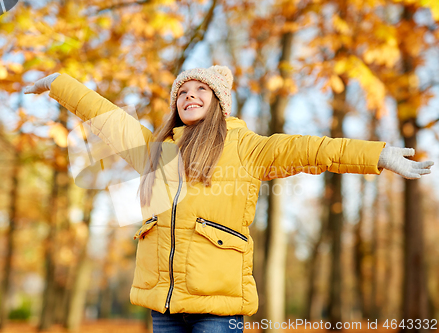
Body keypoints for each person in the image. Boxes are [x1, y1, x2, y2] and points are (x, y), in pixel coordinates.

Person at [24, 65, 433, 333]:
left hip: (216, 311)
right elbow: (107, 117)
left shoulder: (245, 147)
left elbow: (313, 149)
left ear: (218, 101)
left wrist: (378, 155)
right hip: (163, 308)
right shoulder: (157, 149)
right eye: (183, 91)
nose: (190, 96)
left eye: (201, 89)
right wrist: (60, 83)